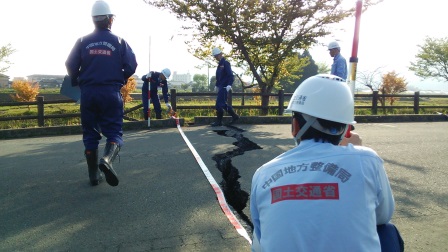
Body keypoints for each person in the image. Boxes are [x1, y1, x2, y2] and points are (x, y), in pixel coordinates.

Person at [250, 74, 404, 252]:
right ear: (346, 129)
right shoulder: (367, 160)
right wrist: (356, 152)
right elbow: (383, 216)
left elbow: (260, 239)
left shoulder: (264, 173)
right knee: (387, 231)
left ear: (295, 126)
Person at [65, 0, 137, 187]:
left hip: (88, 93)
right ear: (110, 19)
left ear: (93, 20)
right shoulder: (119, 41)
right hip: (110, 92)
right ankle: (107, 160)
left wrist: (77, 80)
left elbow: (70, 65)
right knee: (113, 131)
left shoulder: (82, 41)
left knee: (90, 134)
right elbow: (131, 65)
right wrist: (119, 77)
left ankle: (93, 177)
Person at [210, 47, 239, 126]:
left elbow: (230, 75)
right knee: (222, 104)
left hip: (225, 87)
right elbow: (219, 77)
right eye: (215, 56)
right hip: (221, 86)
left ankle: (219, 121)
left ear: (220, 54)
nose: (215, 57)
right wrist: (216, 85)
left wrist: (229, 84)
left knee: (219, 104)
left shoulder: (225, 63)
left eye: (216, 56)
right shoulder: (219, 65)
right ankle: (234, 116)